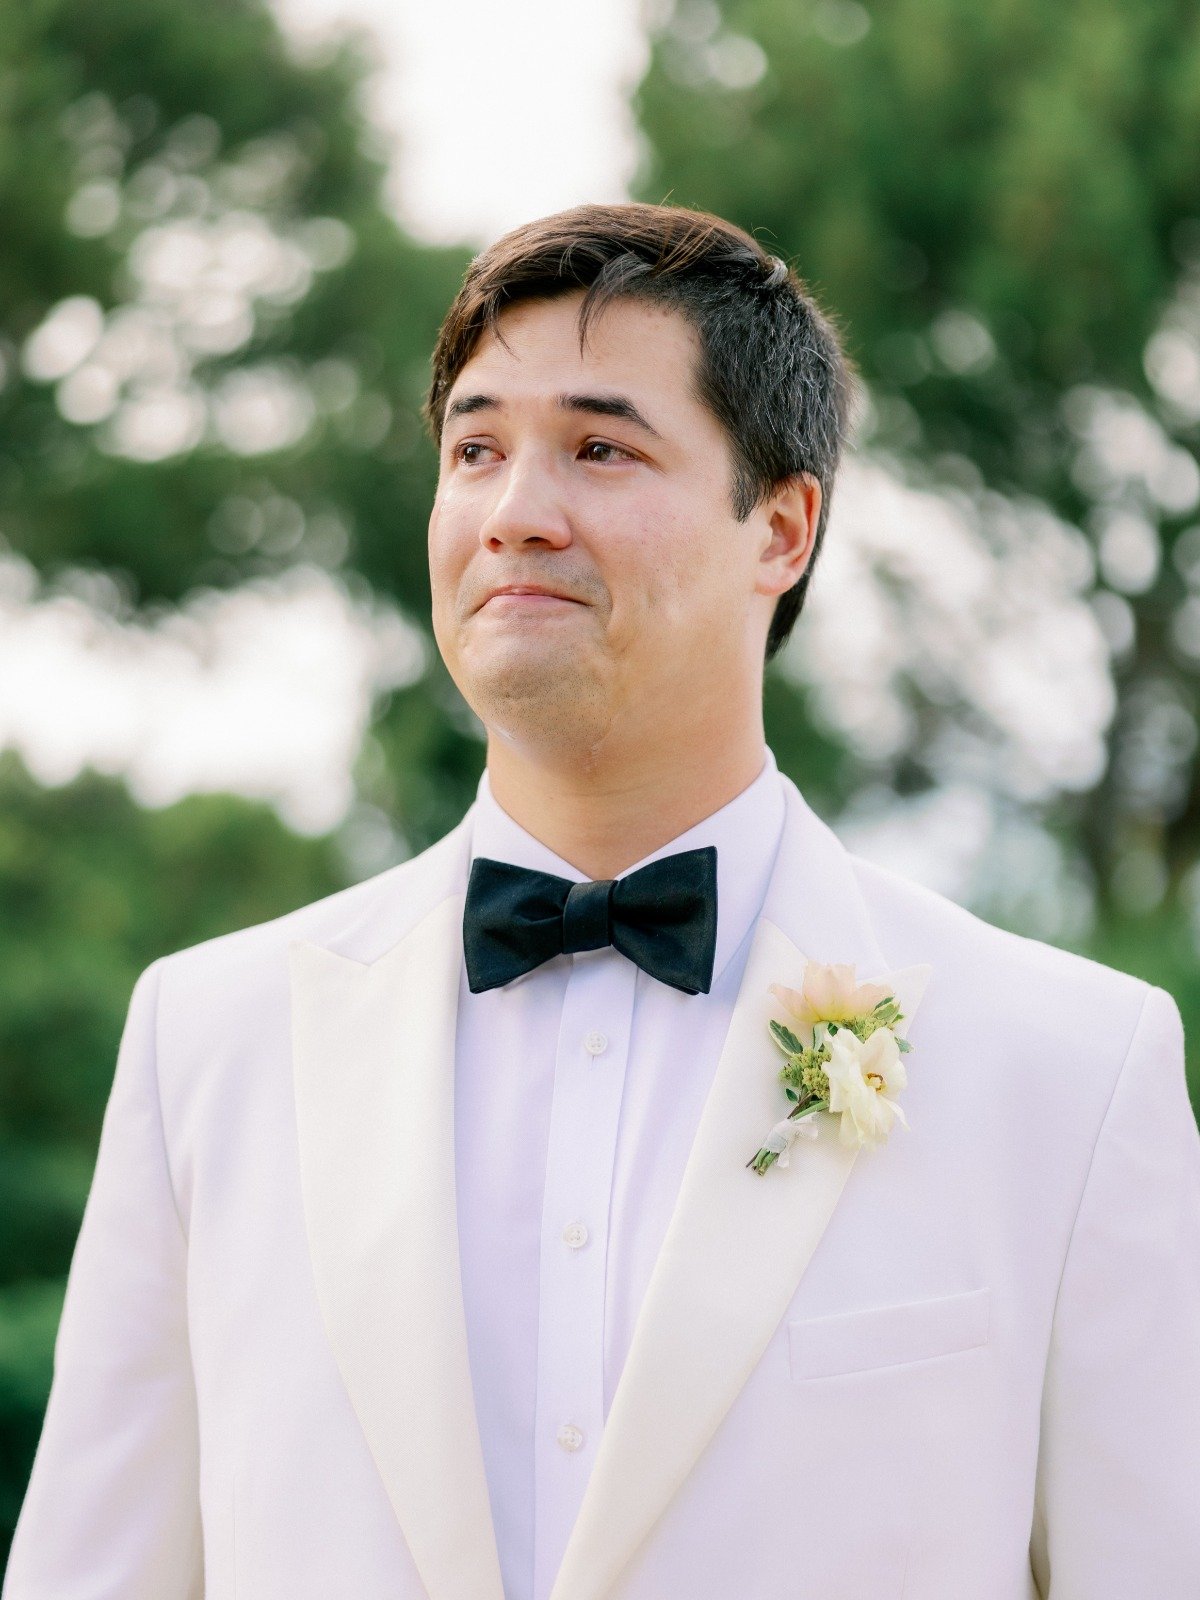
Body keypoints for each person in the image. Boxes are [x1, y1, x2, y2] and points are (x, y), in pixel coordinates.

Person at [5, 201, 1199, 1600]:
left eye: (600, 447)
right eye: (475, 449)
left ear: (784, 527)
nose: (517, 514)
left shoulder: (1069, 1070)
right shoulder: (205, 1042)